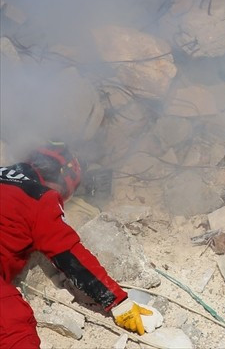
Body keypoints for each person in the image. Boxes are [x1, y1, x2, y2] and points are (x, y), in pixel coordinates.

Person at [1, 142, 162, 347]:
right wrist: (118, 302)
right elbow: (69, 255)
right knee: (16, 330)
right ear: (61, 178)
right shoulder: (40, 197)